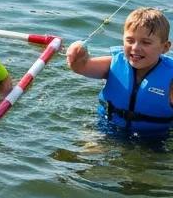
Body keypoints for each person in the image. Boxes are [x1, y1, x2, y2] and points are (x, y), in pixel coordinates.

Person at [67, 7, 173, 137]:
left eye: (146, 42)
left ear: (165, 47)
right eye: (130, 40)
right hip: (107, 129)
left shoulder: (170, 78)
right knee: (84, 153)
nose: (135, 48)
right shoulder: (113, 64)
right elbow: (81, 67)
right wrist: (76, 54)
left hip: (154, 139)